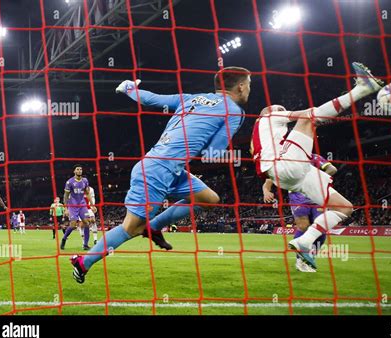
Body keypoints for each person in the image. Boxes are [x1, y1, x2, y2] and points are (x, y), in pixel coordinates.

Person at [70, 66, 251, 284]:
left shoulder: (191, 98)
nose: (249, 89)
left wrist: (129, 89)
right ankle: (83, 263)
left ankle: (154, 226)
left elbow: (151, 99)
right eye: (249, 84)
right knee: (131, 228)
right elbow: (212, 153)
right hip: (157, 171)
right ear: (240, 86)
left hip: (168, 168)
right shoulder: (234, 111)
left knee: (209, 199)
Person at [251, 62, 383, 270]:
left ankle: (305, 242)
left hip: (290, 176)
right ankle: (362, 89)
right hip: (285, 166)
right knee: (308, 117)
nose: (284, 111)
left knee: (344, 208)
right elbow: (308, 113)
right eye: (280, 108)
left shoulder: (265, 137)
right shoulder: (269, 117)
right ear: (267, 111)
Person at [263, 154, 338, 272]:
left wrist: (315, 180)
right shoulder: (285, 160)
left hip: (317, 196)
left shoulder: (314, 157)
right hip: (298, 197)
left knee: (322, 228)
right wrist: (266, 191)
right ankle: (300, 259)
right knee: (303, 226)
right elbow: (268, 180)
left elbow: (332, 169)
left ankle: (309, 258)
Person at [60, 165, 94, 250]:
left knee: (87, 222)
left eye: (81, 169)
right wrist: (66, 208)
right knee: (73, 224)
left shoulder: (85, 181)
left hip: (82, 204)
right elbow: (66, 196)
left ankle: (85, 245)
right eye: (77, 169)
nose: (79, 171)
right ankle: (64, 239)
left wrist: (92, 205)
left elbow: (87, 193)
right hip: (72, 205)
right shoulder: (69, 182)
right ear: (74, 171)